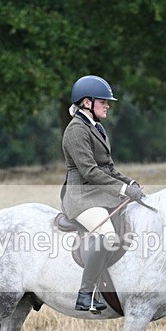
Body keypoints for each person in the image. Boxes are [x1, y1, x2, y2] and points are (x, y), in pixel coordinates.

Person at [60, 75, 145, 313]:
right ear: (87, 103)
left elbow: (108, 168)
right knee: (106, 235)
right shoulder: (76, 131)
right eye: (103, 101)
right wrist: (122, 189)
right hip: (81, 197)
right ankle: (85, 294)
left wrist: (131, 183)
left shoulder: (96, 127)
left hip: (99, 194)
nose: (108, 105)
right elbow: (89, 171)